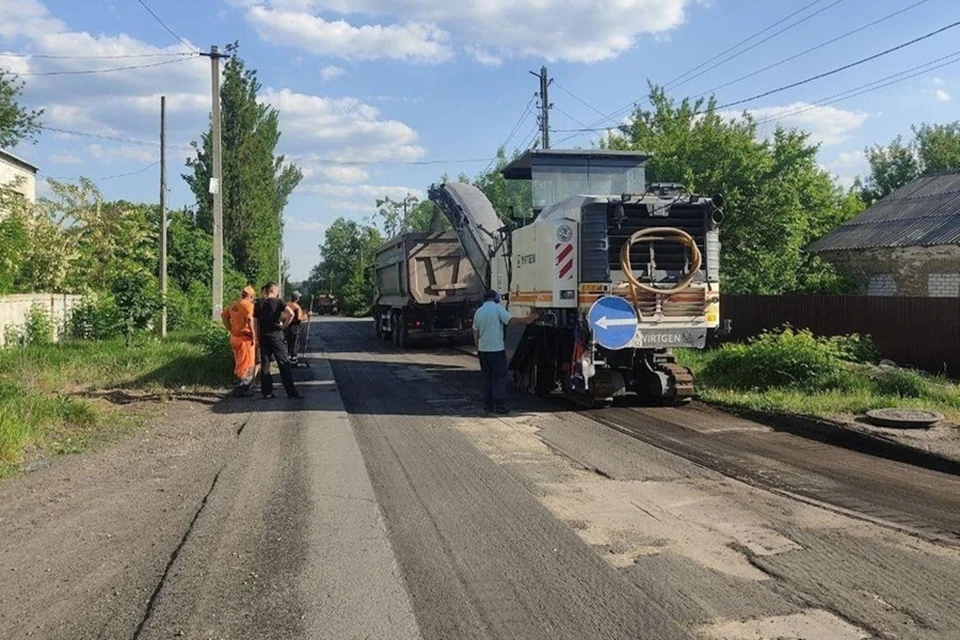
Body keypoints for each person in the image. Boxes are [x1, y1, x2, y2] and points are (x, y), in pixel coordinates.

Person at [473, 291, 537, 414]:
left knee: (488, 379)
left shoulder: (478, 312)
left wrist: (478, 348)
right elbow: (511, 321)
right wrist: (529, 319)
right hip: (496, 351)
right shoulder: (498, 309)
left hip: (483, 351)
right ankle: (500, 405)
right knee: (499, 378)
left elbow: (475, 332)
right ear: (496, 298)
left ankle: (488, 405)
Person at [253, 282, 303, 399]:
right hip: (276, 336)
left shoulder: (259, 303)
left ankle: (267, 393)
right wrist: (283, 326)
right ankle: (291, 392)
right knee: (283, 363)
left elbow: (255, 322)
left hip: (263, 336)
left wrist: (257, 337)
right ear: (273, 291)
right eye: (277, 291)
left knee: (265, 364)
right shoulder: (279, 301)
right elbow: (290, 314)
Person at [220, 286, 258, 397]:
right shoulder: (248, 306)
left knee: (239, 362)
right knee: (247, 364)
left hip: (234, 337)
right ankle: (243, 389)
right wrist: (253, 334)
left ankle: (238, 385)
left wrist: (230, 328)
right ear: (251, 296)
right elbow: (250, 319)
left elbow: (224, 316)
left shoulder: (233, 305)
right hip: (245, 339)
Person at [284, 290, 308, 363]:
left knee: (288, 342)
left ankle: (287, 357)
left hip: (287, 325)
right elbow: (299, 317)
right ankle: (293, 359)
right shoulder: (296, 306)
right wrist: (306, 316)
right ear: (297, 298)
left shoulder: (287, 304)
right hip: (294, 327)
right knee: (294, 343)